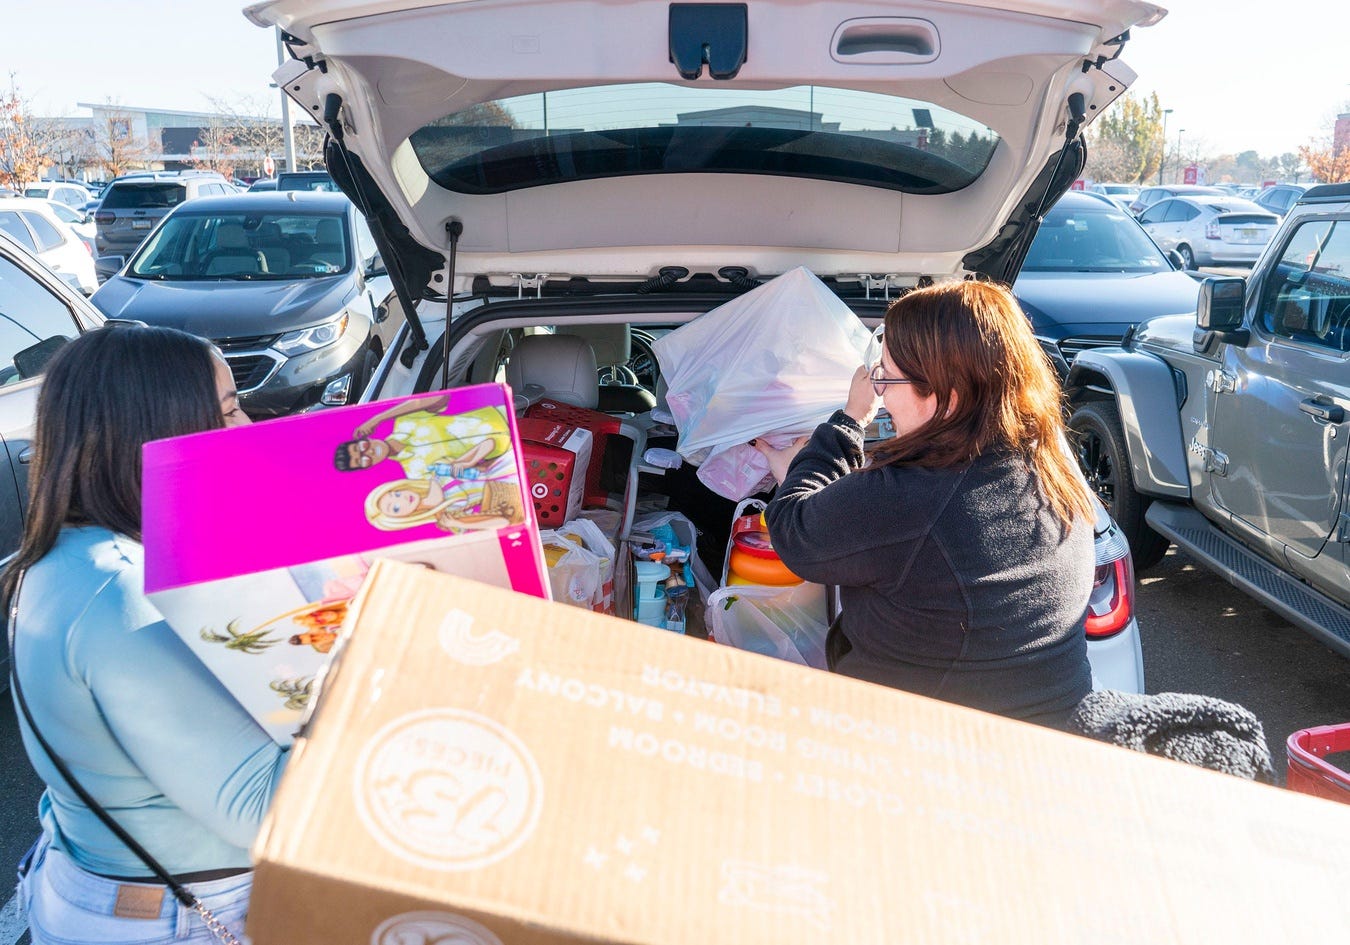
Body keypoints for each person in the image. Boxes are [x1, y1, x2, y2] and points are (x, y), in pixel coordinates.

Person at [1, 325, 287, 944]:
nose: (247, 428)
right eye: (229, 410)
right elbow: (263, 807)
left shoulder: (69, 557)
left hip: (107, 884)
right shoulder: (119, 593)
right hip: (171, 917)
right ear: (156, 430)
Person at [753, 280, 1096, 729]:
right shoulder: (1049, 461)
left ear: (946, 397)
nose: (880, 391)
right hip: (1047, 741)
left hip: (930, 753)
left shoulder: (915, 496)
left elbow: (793, 529)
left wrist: (846, 424)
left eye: (887, 378)